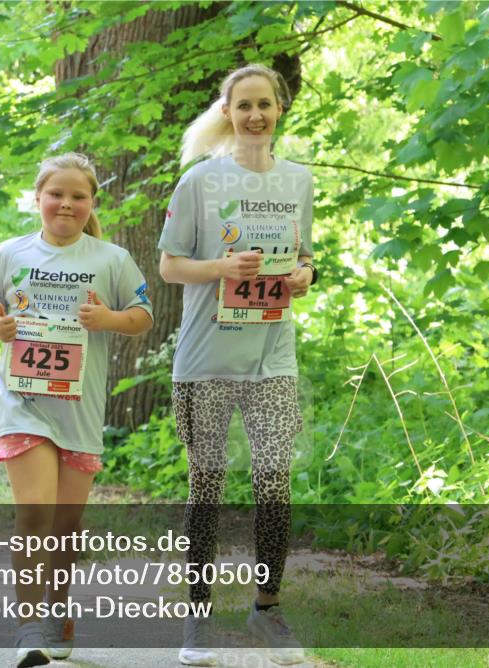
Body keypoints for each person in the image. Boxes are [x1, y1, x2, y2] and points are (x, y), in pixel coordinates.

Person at [159, 63, 316, 666]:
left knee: (275, 482)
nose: (255, 114)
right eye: (243, 104)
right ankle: (197, 621)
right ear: (227, 112)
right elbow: (172, 265)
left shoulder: (299, 180)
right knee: (206, 484)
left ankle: (267, 610)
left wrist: (305, 274)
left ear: (279, 111)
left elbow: (303, 256)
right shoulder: (200, 181)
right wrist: (220, 269)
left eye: (265, 104)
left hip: (273, 355)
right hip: (205, 360)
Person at [0, 152, 153, 668]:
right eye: (57, 194)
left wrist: (108, 318)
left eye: (78, 196)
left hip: (79, 408)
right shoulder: (11, 253)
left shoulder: (111, 259)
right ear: (38, 198)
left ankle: (57, 609)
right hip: (21, 402)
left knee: (66, 526)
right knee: (35, 513)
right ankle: (29, 629)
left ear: (92, 202)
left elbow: (143, 315)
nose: (66, 204)